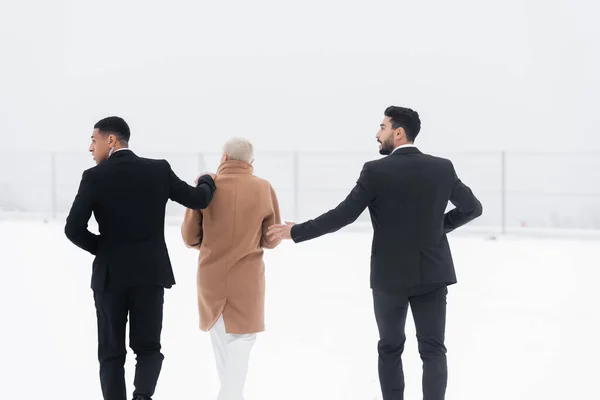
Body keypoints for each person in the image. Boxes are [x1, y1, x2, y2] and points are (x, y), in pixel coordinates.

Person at [267, 106, 483, 400]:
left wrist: (297, 231)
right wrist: (438, 227)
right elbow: (473, 208)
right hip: (432, 271)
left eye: (382, 127)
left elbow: (343, 215)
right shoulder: (442, 168)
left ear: (398, 132)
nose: (377, 134)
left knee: (390, 347)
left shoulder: (375, 171)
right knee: (433, 350)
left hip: (389, 277)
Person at [64, 116, 217, 400]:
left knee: (111, 352)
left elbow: (73, 229)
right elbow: (199, 199)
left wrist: (106, 248)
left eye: (93, 140)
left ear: (111, 140)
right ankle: (143, 396)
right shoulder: (158, 170)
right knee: (148, 347)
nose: (90, 147)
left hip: (110, 277)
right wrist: (208, 180)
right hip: (150, 274)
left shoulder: (94, 177)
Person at [181, 137, 281, 400]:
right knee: (242, 341)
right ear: (251, 163)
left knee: (222, 347)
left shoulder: (207, 188)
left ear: (223, 158)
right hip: (247, 279)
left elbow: (190, 237)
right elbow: (271, 239)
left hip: (211, 278)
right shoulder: (263, 188)